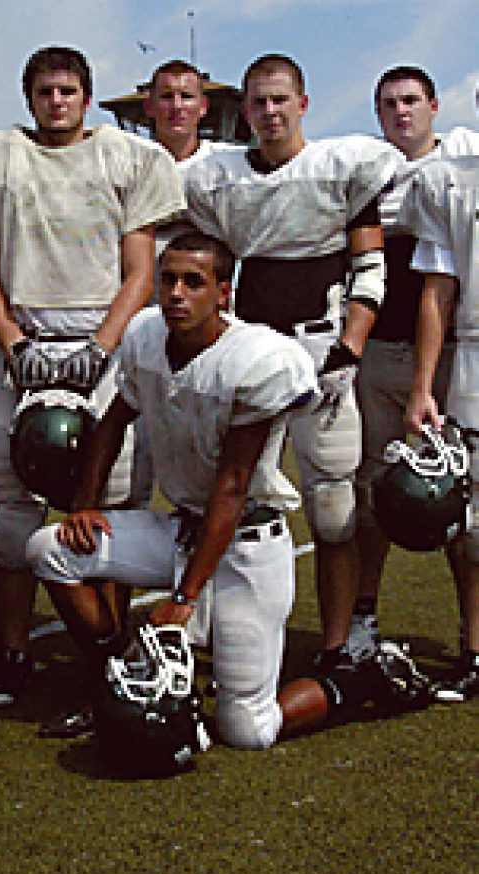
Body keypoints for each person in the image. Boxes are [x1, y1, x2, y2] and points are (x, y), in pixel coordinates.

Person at [27, 232, 377, 748]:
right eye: (168, 280)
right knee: (50, 549)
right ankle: (113, 671)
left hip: (245, 545)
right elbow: (113, 418)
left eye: (194, 282)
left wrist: (184, 599)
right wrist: (83, 504)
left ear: (224, 293)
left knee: (247, 728)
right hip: (184, 529)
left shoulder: (257, 358)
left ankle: (367, 680)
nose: (176, 293)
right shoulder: (146, 335)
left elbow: (233, 487)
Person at [0, 46, 183, 710]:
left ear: (87, 96)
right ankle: (12, 650)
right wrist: (14, 342)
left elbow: (141, 269)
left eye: (69, 91)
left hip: (103, 340)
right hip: (20, 337)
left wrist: (103, 345)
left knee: (109, 504)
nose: (58, 102)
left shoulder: (126, 158)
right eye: (46, 91)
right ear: (29, 98)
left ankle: (103, 650)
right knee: (5, 504)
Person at [183, 54, 399, 680]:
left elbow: (370, 270)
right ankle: (226, 631)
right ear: (244, 110)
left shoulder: (340, 168)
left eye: (280, 100)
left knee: (332, 506)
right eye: (258, 102)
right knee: (231, 494)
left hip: (319, 350)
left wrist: (350, 349)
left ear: (303, 104)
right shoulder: (218, 179)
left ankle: (338, 644)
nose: (270, 113)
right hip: (250, 351)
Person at [351, 66, 479, 663]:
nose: (400, 113)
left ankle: (470, 637)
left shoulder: (461, 166)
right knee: (373, 493)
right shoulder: (366, 175)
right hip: (380, 356)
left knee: (457, 502)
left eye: (410, 101)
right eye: (387, 104)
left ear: (434, 105)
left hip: (448, 358)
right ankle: (362, 618)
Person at [402, 117, 479, 701]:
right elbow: (438, 290)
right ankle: (474, 648)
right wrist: (422, 385)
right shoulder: (449, 177)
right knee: (470, 528)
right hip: (474, 357)